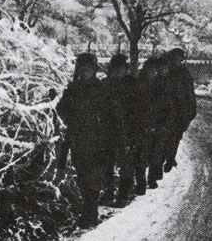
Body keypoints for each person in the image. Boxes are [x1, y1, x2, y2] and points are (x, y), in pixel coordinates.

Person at [56, 53, 111, 227]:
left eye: (88, 69)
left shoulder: (102, 90)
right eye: (82, 69)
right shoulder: (73, 89)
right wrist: (69, 119)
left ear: (94, 70)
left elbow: (112, 115)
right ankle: (88, 210)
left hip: (98, 140)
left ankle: (91, 213)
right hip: (78, 140)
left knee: (93, 177)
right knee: (82, 177)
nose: (85, 72)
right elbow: (61, 109)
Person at [104, 54, 142, 206]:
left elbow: (139, 110)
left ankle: (123, 195)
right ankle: (108, 193)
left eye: (121, 69)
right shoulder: (105, 85)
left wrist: (135, 132)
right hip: (107, 131)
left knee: (126, 165)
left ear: (125, 70)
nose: (118, 72)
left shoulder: (133, 85)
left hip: (127, 130)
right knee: (107, 164)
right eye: (115, 69)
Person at [163, 48, 197, 173]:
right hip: (167, 109)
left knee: (176, 136)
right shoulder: (166, 73)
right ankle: (168, 157)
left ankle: (170, 157)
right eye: (174, 59)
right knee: (166, 136)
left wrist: (191, 111)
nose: (176, 61)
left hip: (181, 110)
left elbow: (190, 93)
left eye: (179, 59)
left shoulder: (185, 74)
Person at [143, 55, 169, 188]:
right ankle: (143, 179)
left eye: (155, 70)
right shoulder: (141, 84)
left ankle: (152, 178)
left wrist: (164, 124)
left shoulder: (163, 84)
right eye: (150, 69)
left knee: (157, 152)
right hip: (145, 123)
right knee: (145, 152)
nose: (153, 72)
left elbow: (168, 106)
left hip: (160, 123)